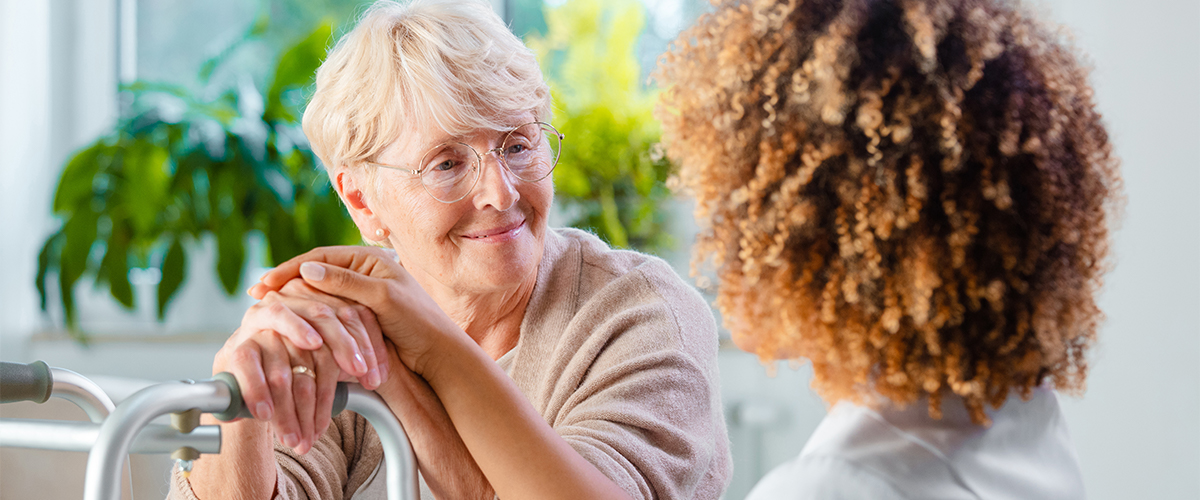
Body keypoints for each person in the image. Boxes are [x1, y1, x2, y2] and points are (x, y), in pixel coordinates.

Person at [171, 1, 731, 499]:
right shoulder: (341, 327)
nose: (500, 192)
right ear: (363, 201)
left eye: (517, 145)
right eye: (447, 163)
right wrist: (242, 404)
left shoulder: (640, 315)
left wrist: (424, 355)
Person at [654, 0, 1119, 498]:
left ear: (832, 234)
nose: (718, 242)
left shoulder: (833, 487)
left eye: (744, 208)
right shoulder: (1022, 417)